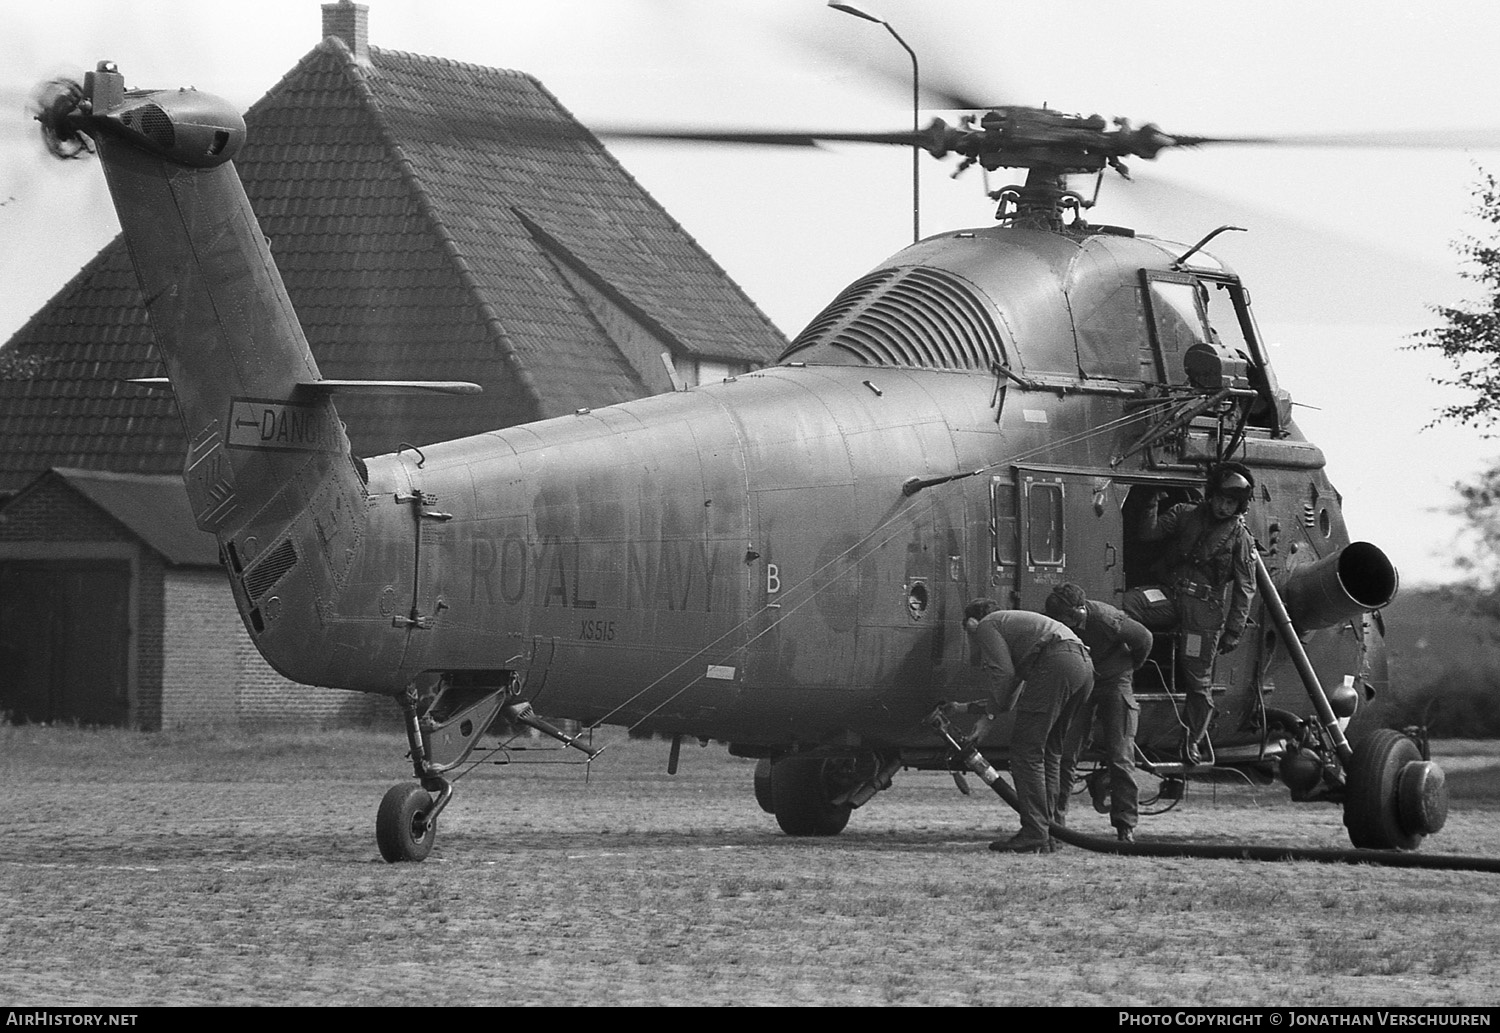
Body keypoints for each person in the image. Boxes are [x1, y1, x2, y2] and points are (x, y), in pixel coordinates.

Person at [1127, 462, 1257, 765]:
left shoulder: (1240, 538)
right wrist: (1151, 502)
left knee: (1198, 680)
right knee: (1130, 604)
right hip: (1171, 596)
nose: (1224, 507)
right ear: (1211, 495)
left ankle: (1193, 741)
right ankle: (1126, 677)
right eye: (1221, 499)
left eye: (1232, 503)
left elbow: (1245, 588)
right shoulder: (1185, 513)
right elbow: (1148, 534)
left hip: (1202, 613)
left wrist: (1234, 630)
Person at [956, 598, 1094, 853]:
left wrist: (987, 720)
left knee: (1025, 751)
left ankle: (1034, 832)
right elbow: (1011, 693)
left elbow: (1003, 676)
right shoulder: (1018, 628)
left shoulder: (986, 626)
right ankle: (1051, 830)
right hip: (1083, 666)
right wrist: (976, 711)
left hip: (1059, 662)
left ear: (971, 624)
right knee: (1050, 751)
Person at [1045, 582, 1153, 843]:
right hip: (1083, 680)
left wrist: (1127, 669)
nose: (1063, 623)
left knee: (1120, 755)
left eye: (1067, 618)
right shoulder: (1057, 616)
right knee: (1066, 753)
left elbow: (1144, 639)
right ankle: (1056, 825)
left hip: (1115, 681)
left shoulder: (1106, 619)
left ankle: (1125, 826)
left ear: (1079, 611)